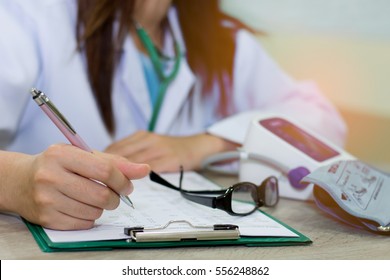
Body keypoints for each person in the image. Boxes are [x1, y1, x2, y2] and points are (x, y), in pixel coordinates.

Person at [0, 0, 347, 230]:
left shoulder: (225, 41)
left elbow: (323, 120)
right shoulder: (29, 20)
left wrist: (209, 142)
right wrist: (16, 182)